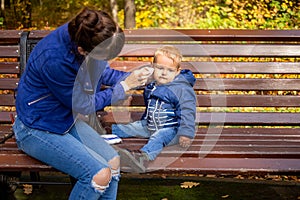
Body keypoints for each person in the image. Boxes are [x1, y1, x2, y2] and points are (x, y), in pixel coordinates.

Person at [12, 7, 151, 200]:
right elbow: (83, 105)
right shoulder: (54, 59)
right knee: (98, 174)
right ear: (82, 51)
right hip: (36, 127)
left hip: (65, 120)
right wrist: (124, 87)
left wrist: (133, 77)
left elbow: (103, 72)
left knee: (113, 162)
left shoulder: (86, 33)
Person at [112, 45, 197, 173]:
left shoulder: (181, 89)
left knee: (158, 137)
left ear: (177, 71)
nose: (164, 73)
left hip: (171, 130)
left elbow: (187, 112)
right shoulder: (152, 86)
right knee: (133, 127)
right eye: (160, 68)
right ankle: (107, 130)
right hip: (151, 125)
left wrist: (185, 133)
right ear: (153, 66)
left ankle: (143, 158)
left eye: (170, 70)